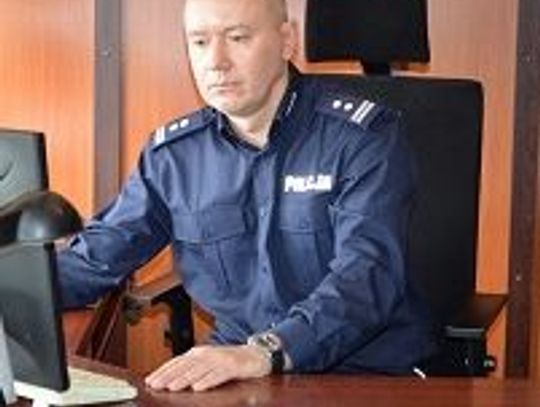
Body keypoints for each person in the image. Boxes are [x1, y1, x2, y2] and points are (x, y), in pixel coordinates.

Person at [58, 0, 437, 392]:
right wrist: (25, 287)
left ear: (286, 41)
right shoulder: (174, 157)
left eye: (238, 38)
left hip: (362, 374)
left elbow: (366, 278)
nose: (216, 62)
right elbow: (97, 258)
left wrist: (267, 351)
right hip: (237, 372)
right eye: (200, 42)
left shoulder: (362, 139)